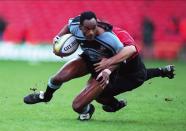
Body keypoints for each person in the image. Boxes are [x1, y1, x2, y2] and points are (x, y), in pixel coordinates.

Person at [24, 11, 175, 121]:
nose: (90, 32)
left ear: (97, 24)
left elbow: (130, 51)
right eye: (87, 29)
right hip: (90, 58)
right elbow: (69, 25)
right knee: (58, 77)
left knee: (79, 105)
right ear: (81, 26)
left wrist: (108, 67)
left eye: (93, 28)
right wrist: (58, 38)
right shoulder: (76, 25)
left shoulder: (111, 38)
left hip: (109, 68)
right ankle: (45, 96)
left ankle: (94, 108)